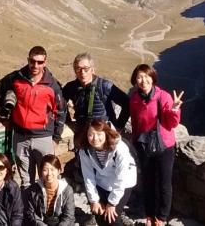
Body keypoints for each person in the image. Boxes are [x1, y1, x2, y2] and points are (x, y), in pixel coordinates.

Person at [0, 46, 66, 187]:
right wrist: (3, 117)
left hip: (44, 137)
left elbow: (61, 112)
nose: (35, 65)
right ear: (28, 60)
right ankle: (28, 208)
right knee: (26, 180)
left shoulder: (53, 85)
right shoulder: (15, 78)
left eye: (40, 62)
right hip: (20, 137)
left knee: (47, 177)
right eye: (32, 61)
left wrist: (56, 138)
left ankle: (46, 208)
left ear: (45, 62)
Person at [128, 65, 184, 226]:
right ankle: (150, 215)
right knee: (148, 182)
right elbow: (135, 122)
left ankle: (161, 217)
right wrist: (135, 141)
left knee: (164, 183)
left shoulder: (163, 96)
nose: (143, 81)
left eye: (147, 76)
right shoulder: (135, 98)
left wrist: (174, 109)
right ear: (135, 80)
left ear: (153, 78)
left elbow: (171, 124)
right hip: (144, 146)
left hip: (164, 146)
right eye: (139, 77)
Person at [78, 119, 137, 226]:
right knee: (99, 213)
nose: (95, 138)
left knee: (112, 218)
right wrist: (94, 200)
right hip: (102, 180)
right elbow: (88, 176)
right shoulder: (85, 151)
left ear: (106, 133)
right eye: (90, 134)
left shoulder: (120, 148)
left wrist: (112, 203)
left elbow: (121, 178)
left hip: (124, 181)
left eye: (99, 134)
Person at [62, 53, 129, 133]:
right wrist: (68, 121)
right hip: (82, 132)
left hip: (104, 133)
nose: (82, 72)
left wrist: (119, 126)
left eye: (86, 69)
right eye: (78, 69)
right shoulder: (71, 87)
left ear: (92, 70)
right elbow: (60, 104)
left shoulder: (105, 85)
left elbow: (127, 103)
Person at [23, 155, 75, 226]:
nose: (49, 174)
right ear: (41, 172)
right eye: (45, 170)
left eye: (52, 169)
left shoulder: (67, 190)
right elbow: (31, 213)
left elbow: (68, 216)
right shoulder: (33, 189)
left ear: (59, 171)